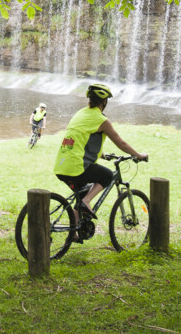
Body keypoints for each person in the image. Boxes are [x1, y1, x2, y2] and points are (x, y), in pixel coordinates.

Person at [53, 83, 148, 227]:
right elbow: (121, 143)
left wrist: (102, 154)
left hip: (61, 166)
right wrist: (138, 155)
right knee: (107, 175)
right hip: (77, 167)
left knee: (82, 193)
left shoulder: (80, 113)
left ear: (89, 99)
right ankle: (86, 202)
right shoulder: (101, 120)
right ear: (104, 101)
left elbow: (82, 139)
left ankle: (74, 233)